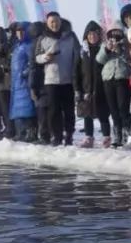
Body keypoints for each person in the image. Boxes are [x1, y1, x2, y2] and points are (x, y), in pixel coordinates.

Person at [34, 12, 81, 146]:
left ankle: (69, 135)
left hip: (68, 79)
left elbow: (78, 53)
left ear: (61, 22)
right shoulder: (42, 38)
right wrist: (45, 58)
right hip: (51, 80)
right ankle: (57, 136)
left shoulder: (70, 36)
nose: (54, 24)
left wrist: (76, 71)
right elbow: (37, 57)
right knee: (53, 110)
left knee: (69, 109)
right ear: (47, 24)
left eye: (56, 21)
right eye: (51, 22)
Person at [78, 21, 112, 147]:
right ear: (86, 36)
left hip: (101, 87)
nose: (92, 37)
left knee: (103, 113)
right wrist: (77, 89)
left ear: (99, 35)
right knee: (87, 114)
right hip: (86, 88)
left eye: (95, 34)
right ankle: (88, 137)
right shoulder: (82, 52)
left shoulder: (103, 49)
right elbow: (76, 72)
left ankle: (106, 137)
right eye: (90, 34)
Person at [98, 26, 131, 147]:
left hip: (122, 78)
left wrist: (120, 51)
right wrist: (107, 49)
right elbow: (99, 59)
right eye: (112, 36)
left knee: (123, 107)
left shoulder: (127, 44)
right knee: (113, 109)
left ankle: (127, 133)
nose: (115, 39)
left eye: (117, 35)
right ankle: (117, 134)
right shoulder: (105, 44)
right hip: (108, 78)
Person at [9, 22, 37, 141]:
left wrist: (23, 73)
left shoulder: (29, 46)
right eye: (18, 31)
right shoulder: (16, 47)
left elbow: (32, 63)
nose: (19, 33)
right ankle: (20, 132)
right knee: (18, 110)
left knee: (27, 109)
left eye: (22, 31)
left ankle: (30, 132)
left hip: (25, 83)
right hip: (16, 84)